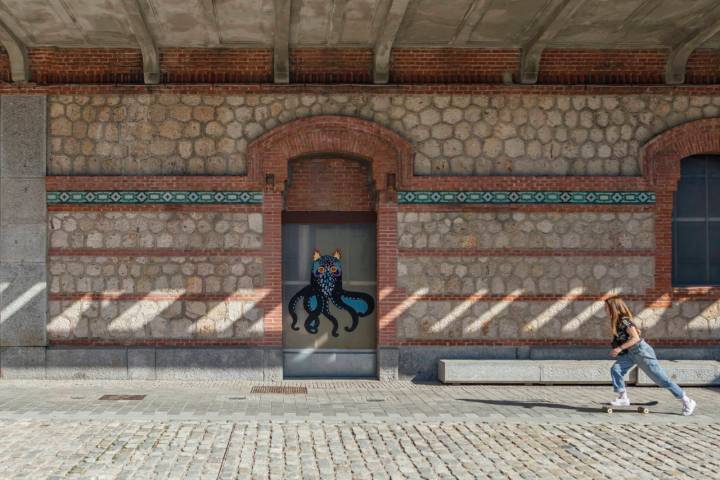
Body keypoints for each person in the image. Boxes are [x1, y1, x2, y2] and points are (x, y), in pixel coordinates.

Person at [605, 296, 696, 416]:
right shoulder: (617, 321)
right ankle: (623, 398)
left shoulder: (624, 321)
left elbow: (635, 338)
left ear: (613, 307)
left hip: (641, 352)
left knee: (661, 379)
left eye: (606, 306)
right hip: (630, 353)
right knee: (616, 369)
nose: (605, 308)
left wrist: (619, 348)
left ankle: (687, 400)